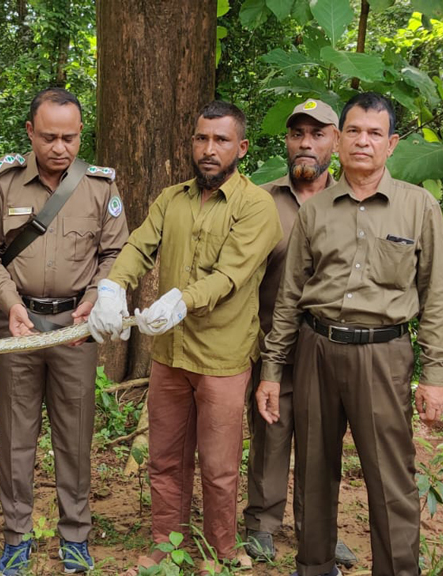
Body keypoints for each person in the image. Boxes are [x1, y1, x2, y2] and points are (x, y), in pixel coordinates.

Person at [257, 92, 443, 576]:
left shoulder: (418, 207)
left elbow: (434, 296)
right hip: (316, 350)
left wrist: (435, 375)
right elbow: (289, 298)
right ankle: (314, 566)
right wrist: (273, 371)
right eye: (355, 132)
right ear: (339, 140)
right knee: (315, 471)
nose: (363, 142)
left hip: (383, 357)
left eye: (375, 133)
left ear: (392, 143)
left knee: (391, 477)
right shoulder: (316, 211)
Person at [89, 100, 282, 574]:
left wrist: (180, 301)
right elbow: (138, 244)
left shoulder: (257, 206)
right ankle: (166, 541)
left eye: (220, 140)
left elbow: (231, 275)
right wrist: (113, 286)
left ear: (242, 146)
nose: (209, 149)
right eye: (201, 138)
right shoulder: (171, 199)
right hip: (169, 355)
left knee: (218, 466)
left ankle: (222, 546)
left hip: (222, 356)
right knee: (165, 458)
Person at [0, 87, 129, 575]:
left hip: (73, 329)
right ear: (30, 134)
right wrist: (10, 303)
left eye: (70, 137)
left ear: (81, 134)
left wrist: (94, 298)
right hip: (15, 324)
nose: (61, 148)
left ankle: (75, 533)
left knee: (74, 433)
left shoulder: (100, 187)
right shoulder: (4, 182)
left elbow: (117, 253)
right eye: (49, 137)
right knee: (15, 435)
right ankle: (17, 534)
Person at [242, 99, 356, 568]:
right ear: (287, 142)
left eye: (317, 134)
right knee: (271, 433)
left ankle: (319, 533)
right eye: (297, 134)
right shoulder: (262, 200)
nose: (306, 143)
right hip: (272, 342)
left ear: (336, 141)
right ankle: (262, 524)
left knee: (323, 441)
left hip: (329, 346)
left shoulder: (353, 201)